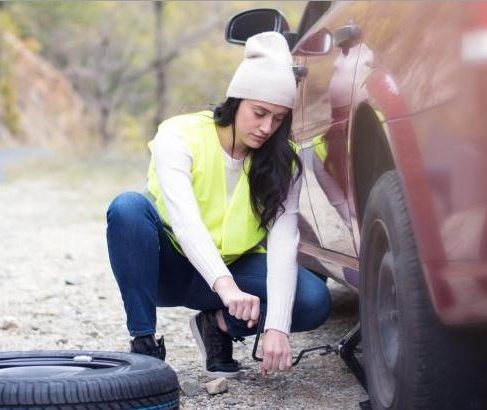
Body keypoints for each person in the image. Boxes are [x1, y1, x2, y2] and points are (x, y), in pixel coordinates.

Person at [106, 32, 331, 378]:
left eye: (278, 118)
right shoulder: (179, 135)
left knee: (313, 300)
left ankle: (218, 326)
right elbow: (185, 221)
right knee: (127, 208)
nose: (266, 127)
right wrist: (225, 286)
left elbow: (285, 242)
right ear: (236, 100)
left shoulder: (281, 162)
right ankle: (144, 344)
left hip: (235, 273)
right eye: (259, 113)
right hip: (171, 268)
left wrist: (277, 327)